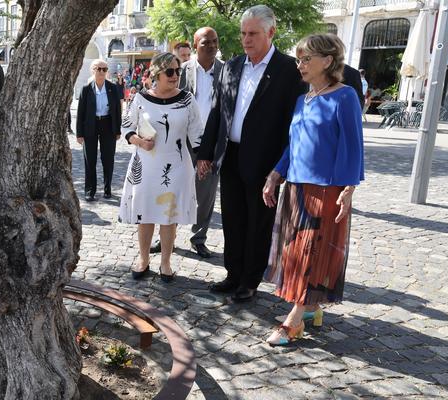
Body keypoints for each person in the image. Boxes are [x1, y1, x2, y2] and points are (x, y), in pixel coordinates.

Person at [196, 5, 307, 303]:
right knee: (232, 219)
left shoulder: (288, 70)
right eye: (243, 33)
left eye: (253, 34)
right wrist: (206, 152)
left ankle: (249, 280)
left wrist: (281, 167)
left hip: (265, 160)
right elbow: (217, 111)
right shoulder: (231, 66)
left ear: (271, 33)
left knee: (258, 222)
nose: (246, 39)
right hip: (230, 155)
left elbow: (294, 123)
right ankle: (233, 274)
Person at [261, 34, 364, 345]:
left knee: (312, 253)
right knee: (295, 251)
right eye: (299, 59)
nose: (300, 65)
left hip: (326, 189)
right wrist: (275, 174)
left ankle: (293, 322)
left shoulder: (345, 96)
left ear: (328, 61)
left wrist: (349, 188)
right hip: (296, 186)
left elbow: (353, 146)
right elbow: (294, 145)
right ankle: (310, 308)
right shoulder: (302, 99)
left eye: (307, 59)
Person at [120, 52, 204, 283]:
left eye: (178, 71)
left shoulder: (187, 99)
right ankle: (143, 259)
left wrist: (205, 159)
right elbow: (127, 126)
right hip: (146, 165)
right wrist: (139, 141)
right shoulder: (141, 98)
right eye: (170, 71)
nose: (175, 75)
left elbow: (197, 133)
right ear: (157, 74)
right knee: (145, 213)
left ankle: (166, 262)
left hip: (177, 165)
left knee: (169, 216)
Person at [150, 27, 222, 258]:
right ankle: (165, 238)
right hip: (180, 141)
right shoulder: (181, 70)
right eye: (206, 42)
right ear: (195, 44)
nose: (211, 46)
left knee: (205, 195)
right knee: (170, 189)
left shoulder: (226, 71)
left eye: (215, 41)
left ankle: (198, 238)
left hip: (210, 144)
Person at [76, 60, 121, 201]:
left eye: (104, 69)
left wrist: (117, 130)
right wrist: (79, 133)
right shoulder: (86, 89)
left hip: (108, 125)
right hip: (91, 125)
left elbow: (117, 110)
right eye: (99, 69)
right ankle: (90, 190)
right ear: (93, 70)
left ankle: (107, 189)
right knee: (90, 159)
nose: (102, 72)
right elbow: (80, 112)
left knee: (108, 158)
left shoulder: (112, 88)